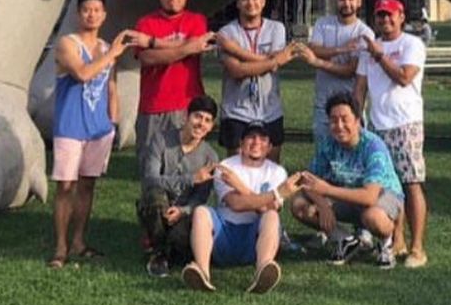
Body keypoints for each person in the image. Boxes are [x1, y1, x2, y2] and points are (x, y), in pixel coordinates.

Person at [49, 0, 147, 269]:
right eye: (86, 10)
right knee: (66, 186)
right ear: (78, 14)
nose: (91, 15)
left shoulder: (106, 48)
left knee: (88, 185)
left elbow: (110, 86)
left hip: (98, 128)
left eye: (97, 10)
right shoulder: (67, 44)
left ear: (104, 15)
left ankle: (79, 241)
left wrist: (112, 121)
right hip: (70, 125)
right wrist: (114, 53)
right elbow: (82, 74)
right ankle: (60, 247)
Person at [182, 120, 301, 294]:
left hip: (254, 240)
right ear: (241, 143)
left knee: (272, 216)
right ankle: (202, 272)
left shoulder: (277, 172)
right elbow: (235, 204)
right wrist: (275, 194)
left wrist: (240, 186)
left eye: (262, 139)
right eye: (251, 137)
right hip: (224, 234)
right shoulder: (227, 166)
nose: (256, 143)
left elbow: (268, 209)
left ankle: (263, 270)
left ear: (269, 147)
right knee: (201, 212)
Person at [355, 0, 429, 268]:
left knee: (411, 184)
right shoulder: (370, 49)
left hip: (405, 125)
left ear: (401, 17)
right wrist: (356, 116)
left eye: (390, 14)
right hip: (377, 125)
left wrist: (380, 55)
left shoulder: (411, 44)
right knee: (386, 187)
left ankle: (417, 247)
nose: (385, 20)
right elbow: (360, 86)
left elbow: (403, 77)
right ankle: (396, 239)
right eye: (380, 15)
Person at [290, 91, 404, 268]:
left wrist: (326, 190)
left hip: (382, 197)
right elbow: (306, 180)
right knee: (299, 204)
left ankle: (386, 243)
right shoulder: (328, 144)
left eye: (345, 119)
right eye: (333, 120)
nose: (339, 125)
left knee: (372, 216)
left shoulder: (373, 146)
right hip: (347, 196)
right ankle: (346, 240)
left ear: (358, 121)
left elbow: (370, 197)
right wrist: (321, 204)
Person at [132, 0, 217, 166]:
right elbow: (147, 58)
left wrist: (153, 41)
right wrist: (186, 47)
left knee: (186, 166)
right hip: (153, 105)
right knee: (151, 166)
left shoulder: (196, 21)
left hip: (187, 106)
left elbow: (196, 48)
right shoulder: (146, 23)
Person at [137, 93, 221, 277]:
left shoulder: (210, 156)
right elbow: (150, 178)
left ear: (211, 127)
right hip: (159, 202)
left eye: (207, 120)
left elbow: (201, 197)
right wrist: (190, 179)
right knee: (154, 195)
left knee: (181, 238)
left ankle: (162, 249)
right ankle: (159, 252)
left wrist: (183, 210)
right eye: (197, 116)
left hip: (184, 212)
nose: (201, 123)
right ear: (186, 117)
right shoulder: (161, 140)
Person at [216, 0, 295, 161]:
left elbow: (268, 62)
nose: (250, 3)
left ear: (263, 1)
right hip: (236, 110)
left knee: (271, 166)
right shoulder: (226, 33)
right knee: (237, 168)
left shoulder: (276, 28)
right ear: (237, 3)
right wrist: (273, 61)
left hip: (270, 110)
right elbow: (236, 71)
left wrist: (235, 50)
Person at [299, 0, 374, 143]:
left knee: (352, 161)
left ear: (359, 1)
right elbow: (315, 49)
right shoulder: (323, 24)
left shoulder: (364, 32)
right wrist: (341, 49)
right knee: (323, 159)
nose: (347, 3)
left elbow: (350, 70)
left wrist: (317, 62)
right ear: (336, 0)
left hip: (350, 107)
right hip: (323, 105)